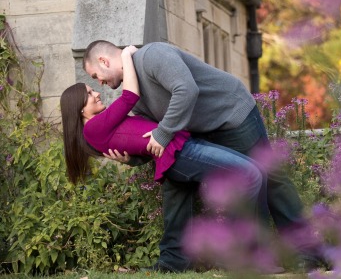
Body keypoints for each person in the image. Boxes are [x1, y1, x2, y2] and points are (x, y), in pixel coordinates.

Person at [82, 40, 329, 273]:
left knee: (269, 177)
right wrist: (132, 159)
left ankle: (305, 251)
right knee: (175, 181)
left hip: (231, 116)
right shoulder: (136, 94)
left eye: (96, 76)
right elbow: (151, 139)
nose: (100, 83)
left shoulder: (153, 55)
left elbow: (186, 90)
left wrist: (165, 131)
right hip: (197, 132)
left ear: (104, 61)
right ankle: (174, 261)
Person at [60, 45, 267, 231]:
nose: (97, 91)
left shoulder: (101, 123)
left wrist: (131, 159)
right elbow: (130, 96)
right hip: (178, 154)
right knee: (250, 174)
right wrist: (126, 55)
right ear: (79, 109)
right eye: (89, 92)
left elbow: (135, 138)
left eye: (94, 84)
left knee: (253, 173)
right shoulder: (93, 129)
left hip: (180, 146)